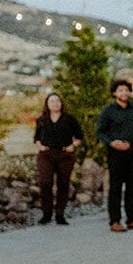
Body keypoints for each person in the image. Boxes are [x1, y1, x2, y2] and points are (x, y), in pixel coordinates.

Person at [96, 79, 133, 233]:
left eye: (126, 90)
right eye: (120, 90)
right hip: (116, 153)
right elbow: (100, 132)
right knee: (115, 187)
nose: (124, 93)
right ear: (115, 93)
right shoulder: (108, 111)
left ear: (129, 92)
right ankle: (114, 221)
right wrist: (112, 143)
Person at [32, 93, 82, 226]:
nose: (55, 103)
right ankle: (46, 214)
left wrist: (73, 146)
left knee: (63, 183)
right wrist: (40, 146)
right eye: (52, 101)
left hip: (64, 155)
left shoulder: (69, 119)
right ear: (47, 104)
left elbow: (79, 136)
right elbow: (36, 138)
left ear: (61, 103)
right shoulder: (42, 120)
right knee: (45, 182)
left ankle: (60, 214)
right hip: (46, 155)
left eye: (57, 101)